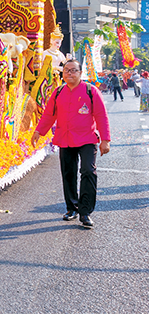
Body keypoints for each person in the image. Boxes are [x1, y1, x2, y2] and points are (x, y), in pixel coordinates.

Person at [31, 59, 110, 229]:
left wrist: (105, 140)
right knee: (68, 174)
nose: (69, 73)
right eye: (66, 70)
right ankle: (71, 208)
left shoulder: (91, 91)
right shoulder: (58, 92)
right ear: (63, 74)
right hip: (65, 138)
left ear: (80, 73)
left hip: (87, 138)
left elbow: (101, 116)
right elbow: (49, 115)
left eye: (73, 70)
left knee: (88, 171)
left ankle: (85, 212)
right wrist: (38, 131)